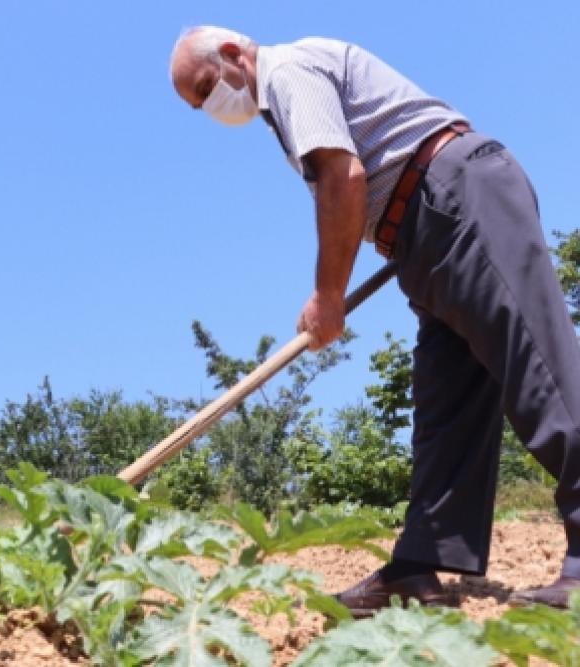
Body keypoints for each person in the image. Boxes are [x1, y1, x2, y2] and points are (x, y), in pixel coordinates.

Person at [168, 27, 580, 614]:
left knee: (536, 361)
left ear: (234, 54)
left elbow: (344, 176)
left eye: (206, 89)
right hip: (422, 231)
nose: (211, 107)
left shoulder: (287, 73)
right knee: (447, 403)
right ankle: (417, 566)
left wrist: (327, 295)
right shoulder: (282, 104)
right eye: (197, 104)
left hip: (456, 196)